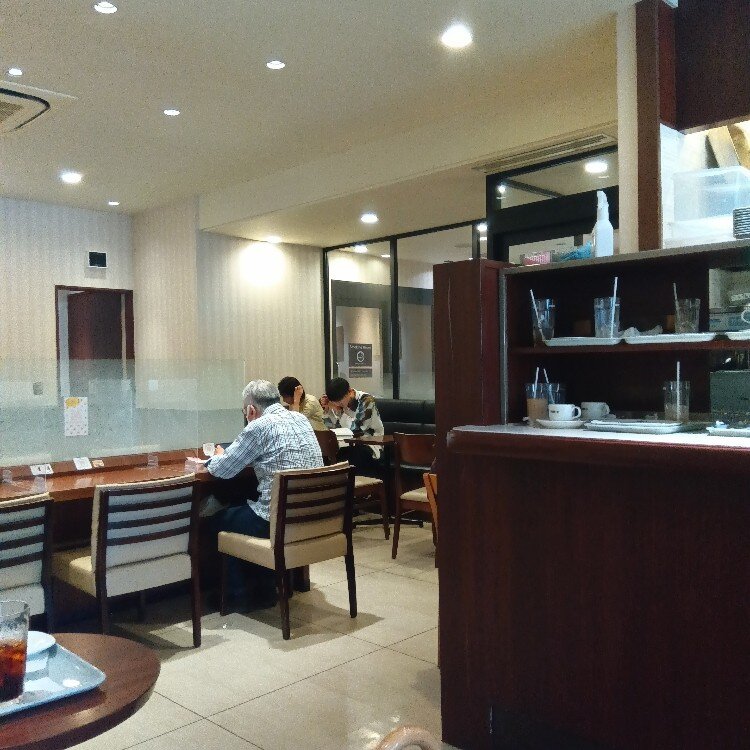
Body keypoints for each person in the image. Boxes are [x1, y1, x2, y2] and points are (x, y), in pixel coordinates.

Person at [204, 379, 324, 609]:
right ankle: (266, 587)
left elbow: (223, 470)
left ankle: (237, 595)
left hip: (277, 522)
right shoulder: (300, 418)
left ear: (251, 409)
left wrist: (218, 455)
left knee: (218, 520)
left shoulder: (258, 426)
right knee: (243, 505)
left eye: (244, 411)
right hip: (310, 516)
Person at [320, 377, 384, 476]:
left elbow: (356, 430)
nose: (339, 405)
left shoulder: (366, 401)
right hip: (346, 444)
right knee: (326, 453)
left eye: (341, 403)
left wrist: (341, 412)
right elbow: (331, 429)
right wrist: (327, 411)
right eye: (336, 403)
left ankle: (355, 485)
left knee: (351, 455)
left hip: (369, 443)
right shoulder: (336, 403)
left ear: (349, 392)